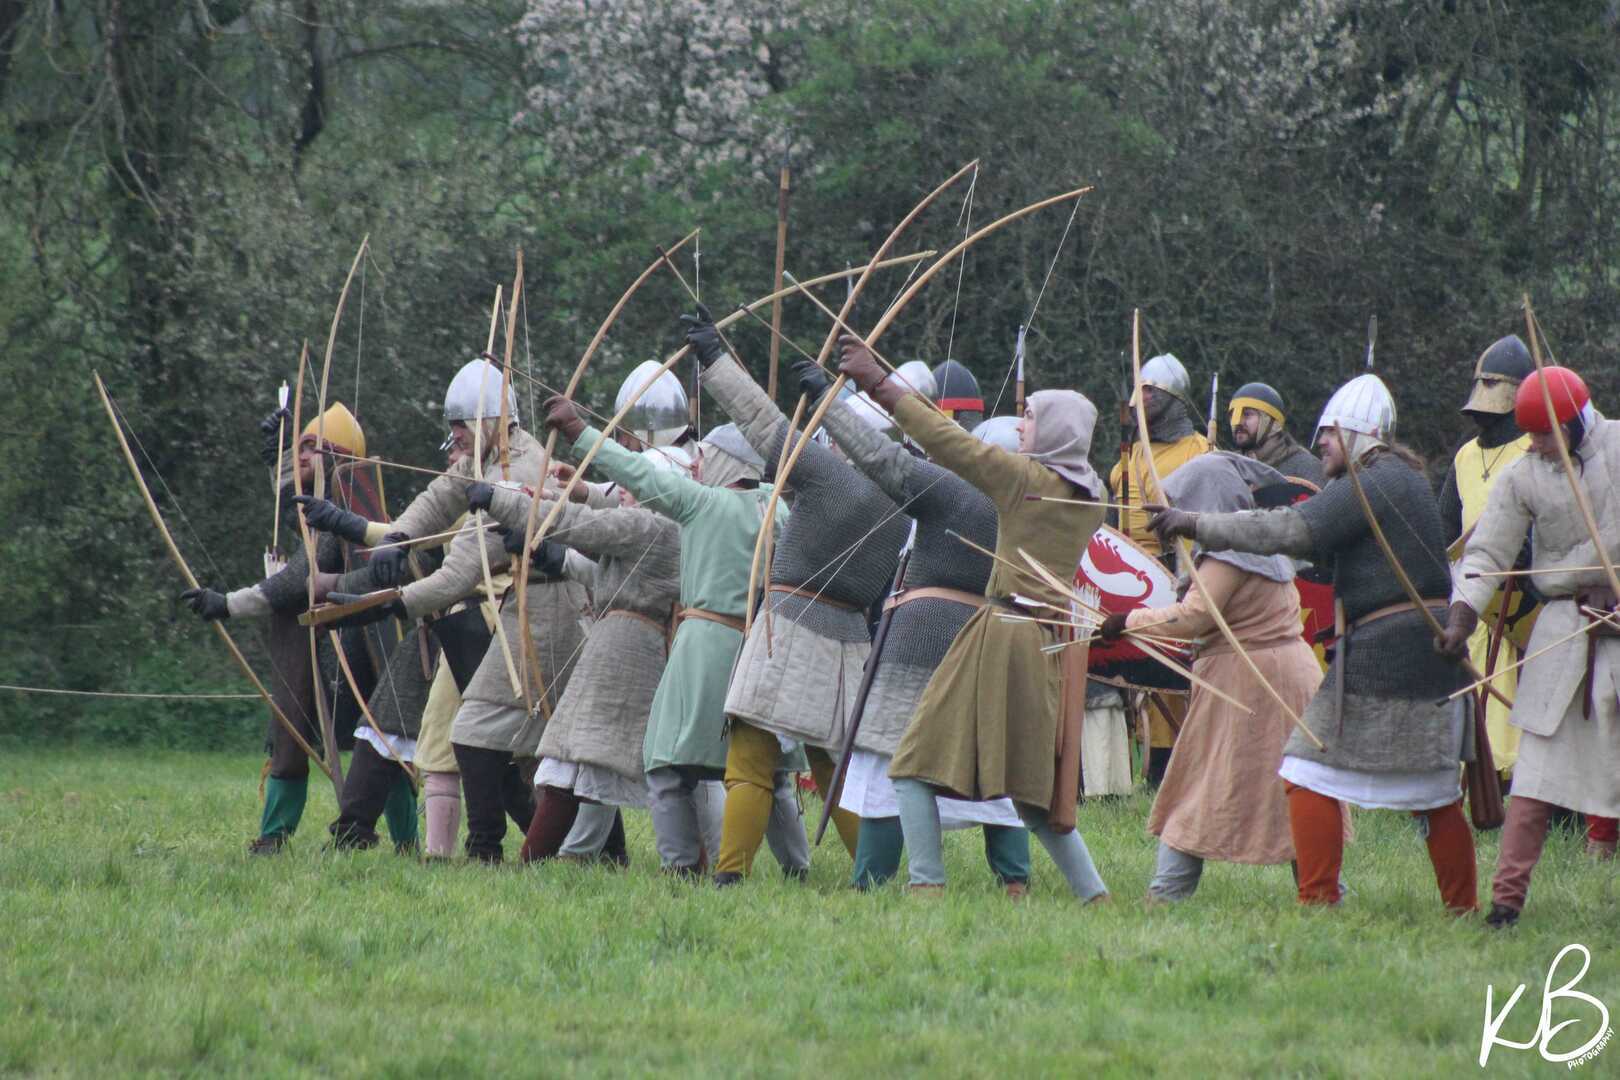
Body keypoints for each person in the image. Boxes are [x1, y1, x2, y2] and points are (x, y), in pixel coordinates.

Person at [1151, 373, 1478, 913]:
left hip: (1388, 650)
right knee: (1434, 791)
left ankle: (1320, 899)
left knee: (1308, 772)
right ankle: (1460, 908)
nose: (1320, 442)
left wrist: (1196, 523)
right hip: (1420, 647)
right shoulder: (1401, 478)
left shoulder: (1369, 484)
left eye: (1329, 433)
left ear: (1355, 433)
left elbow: (1288, 530)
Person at [839, 336, 1111, 902]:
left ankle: (926, 886)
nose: (1022, 425)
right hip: (1042, 646)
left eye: (1031, 417)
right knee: (1033, 796)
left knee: (911, 764)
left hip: (999, 637)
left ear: (1055, 432)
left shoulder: (1023, 482)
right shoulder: (1096, 497)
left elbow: (948, 442)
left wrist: (878, 384)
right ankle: (1095, 895)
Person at [301, 358, 588, 863]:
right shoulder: (483, 458)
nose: (454, 434)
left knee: (531, 748)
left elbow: (462, 568)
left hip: (531, 616)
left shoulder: (518, 470)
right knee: (470, 739)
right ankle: (486, 850)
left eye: (461, 424)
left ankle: (556, 850)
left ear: (491, 421)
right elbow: (438, 498)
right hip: (488, 617)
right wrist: (397, 536)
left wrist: (392, 601)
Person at [686, 308, 909, 884]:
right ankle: (874, 878)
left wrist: (714, 359)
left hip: (788, 629)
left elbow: (762, 422)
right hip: (850, 642)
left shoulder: (831, 478)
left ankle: (730, 875)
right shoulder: (903, 502)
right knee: (838, 771)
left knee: (751, 759)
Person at [543, 391, 800, 878]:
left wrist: (579, 431)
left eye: (707, 457)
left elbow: (638, 474)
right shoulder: (776, 508)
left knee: (666, 764)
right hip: (762, 648)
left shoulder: (702, 503)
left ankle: (681, 867)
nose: (698, 464)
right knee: (771, 768)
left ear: (727, 463)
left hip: (706, 647)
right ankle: (797, 868)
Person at [805, 364, 1031, 896]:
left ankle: (872, 879)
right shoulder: (1031, 507)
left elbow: (881, 459)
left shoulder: (958, 493)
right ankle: (1014, 880)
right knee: (989, 764)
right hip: (988, 642)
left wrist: (828, 405)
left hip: (920, 642)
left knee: (889, 754)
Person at [182, 400, 416, 854]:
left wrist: (228, 604)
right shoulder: (327, 506)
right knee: (290, 736)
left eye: (313, 448)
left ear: (338, 458)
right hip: (312, 642)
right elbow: (295, 510)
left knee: (382, 744)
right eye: (300, 447)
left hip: (356, 645)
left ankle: (407, 841)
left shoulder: (349, 509)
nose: (303, 455)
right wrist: (280, 456)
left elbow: (297, 579)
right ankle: (274, 835)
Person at [1099, 454, 1321, 902]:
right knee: (1286, 788)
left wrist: (1128, 622)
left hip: (1255, 681)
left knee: (1202, 786)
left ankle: (1169, 892)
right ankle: (1321, 888)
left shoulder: (1233, 549)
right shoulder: (1249, 543)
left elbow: (1195, 617)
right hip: (1270, 677)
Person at [1443, 366, 1620, 925]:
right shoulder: (1522, 476)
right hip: (1565, 628)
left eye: (1544, 433)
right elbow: (1487, 554)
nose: (1536, 445)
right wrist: (1460, 615)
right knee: (1535, 778)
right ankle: (1505, 905)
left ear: (1572, 422)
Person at [473, 448, 682, 866]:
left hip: (628, 655)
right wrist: (540, 516)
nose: (622, 491)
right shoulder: (650, 526)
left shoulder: (651, 524)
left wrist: (501, 501)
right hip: (613, 648)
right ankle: (552, 860)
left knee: (599, 760)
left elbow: (582, 524)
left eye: (633, 484)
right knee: (572, 760)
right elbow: (598, 558)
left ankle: (684, 865)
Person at [1436, 335, 1539, 783]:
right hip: (1472, 598)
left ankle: (1519, 784)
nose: (1483, 414)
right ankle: (1475, 781)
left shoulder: (1535, 450)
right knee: (1474, 694)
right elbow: (1445, 530)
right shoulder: (1464, 457)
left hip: (1525, 603)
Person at [1109, 352, 1210, 785]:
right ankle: (1144, 767)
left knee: (1175, 675)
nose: (1141, 398)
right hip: (1131, 573)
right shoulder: (1129, 454)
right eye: (1140, 390)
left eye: (1150, 390)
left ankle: (1177, 767)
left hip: (1177, 573)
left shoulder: (1199, 451)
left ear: (1173, 397)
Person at [1228, 381, 1324, 487]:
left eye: (1247, 414)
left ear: (1274, 424)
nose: (1238, 422)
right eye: (1233, 416)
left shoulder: (1305, 466)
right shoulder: (1229, 467)